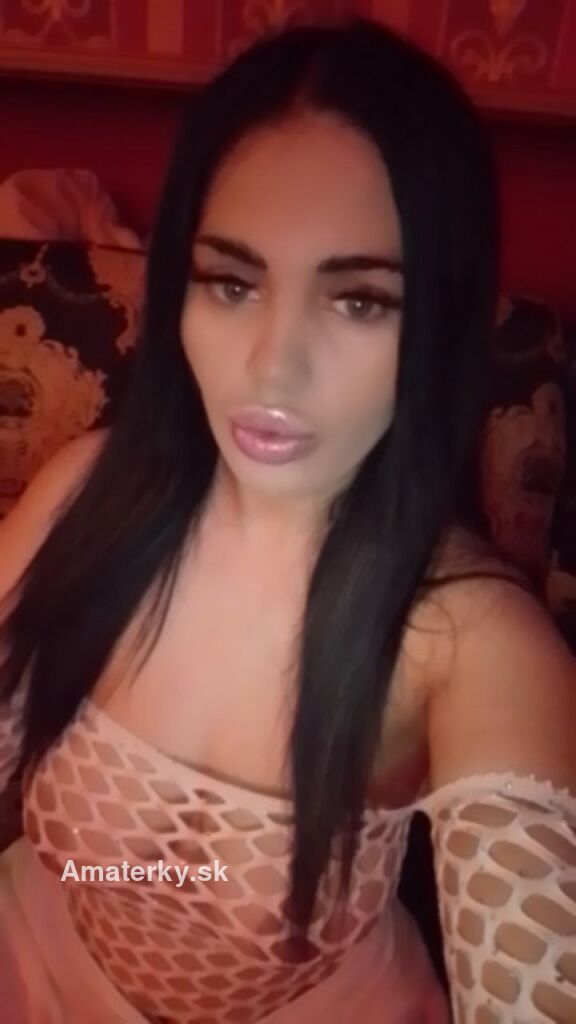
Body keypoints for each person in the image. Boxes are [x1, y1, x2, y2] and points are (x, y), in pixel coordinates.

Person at [1, 16, 575, 1024]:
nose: (272, 366)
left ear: (438, 325)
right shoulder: (87, 491)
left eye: (359, 302)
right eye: (231, 282)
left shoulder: (473, 640)